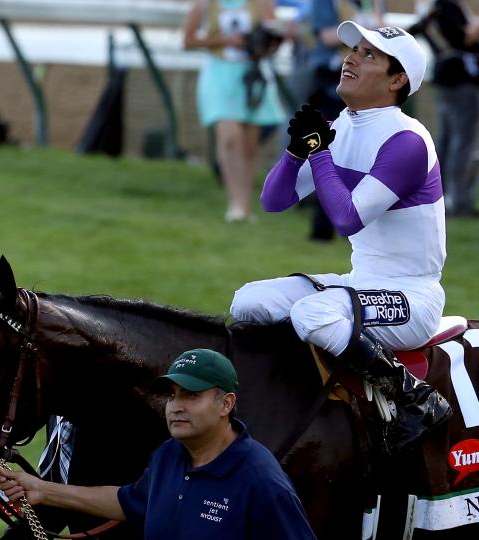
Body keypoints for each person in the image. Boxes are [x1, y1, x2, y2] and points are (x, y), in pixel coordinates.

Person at [230, 22, 452, 453]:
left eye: (370, 55)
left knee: (313, 316)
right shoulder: (343, 127)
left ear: (397, 79)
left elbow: (347, 219)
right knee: (248, 301)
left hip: (412, 298)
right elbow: (273, 201)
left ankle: (415, 396)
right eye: (355, 49)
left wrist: (321, 153)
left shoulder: (406, 141)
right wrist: (296, 153)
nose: (351, 57)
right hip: (363, 284)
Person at [0, 348, 317, 540]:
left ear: (226, 404)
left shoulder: (260, 481)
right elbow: (130, 502)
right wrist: (41, 490)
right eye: (172, 395)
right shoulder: (169, 456)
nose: (176, 406)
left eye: (192, 396)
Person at [183, 0, 286, 222]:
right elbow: (188, 40)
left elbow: (274, 33)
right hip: (219, 74)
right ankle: (235, 203)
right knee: (230, 138)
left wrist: (262, 41)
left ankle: (245, 205)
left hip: (252, 76)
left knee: (249, 146)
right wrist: (226, 41)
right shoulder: (205, 4)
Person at [303, 0, 386, 241]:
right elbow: (326, 37)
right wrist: (364, 32)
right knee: (330, 153)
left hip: (368, 84)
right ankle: (323, 227)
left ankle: (359, 225)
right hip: (332, 82)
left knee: (365, 153)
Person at [430, 0, 479, 216]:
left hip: (449, 84)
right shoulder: (447, 6)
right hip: (460, 84)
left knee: (446, 142)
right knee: (461, 144)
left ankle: (439, 198)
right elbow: (468, 34)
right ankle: (459, 201)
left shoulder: (445, 6)